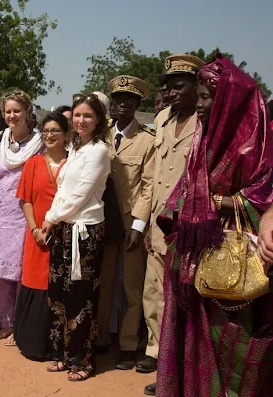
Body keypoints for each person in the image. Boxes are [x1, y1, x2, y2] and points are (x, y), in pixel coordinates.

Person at [156, 54, 273, 397]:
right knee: (195, 344)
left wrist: (212, 203)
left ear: (229, 101)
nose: (201, 104)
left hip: (240, 269)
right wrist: (185, 208)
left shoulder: (257, 147)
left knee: (237, 351)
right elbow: (183, 191)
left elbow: (262, 196)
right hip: (196, 264)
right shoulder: (202, 140)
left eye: (208, 98)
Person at [141, 54, 204, 396]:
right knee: (154, 295)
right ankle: (157, 355)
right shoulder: (163, 118)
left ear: (197, 87)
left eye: (180, 86)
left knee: (182, 301)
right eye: (169, 87)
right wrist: (148, 223)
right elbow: (154, 177)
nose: (173, 93)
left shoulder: (204, 122)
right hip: (159, 224)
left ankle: (179, 367)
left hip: (188, 229)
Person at [41, 93, 110, 382]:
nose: (81, 121)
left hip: (85, 233)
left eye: (88, 116)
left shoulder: (99, 151)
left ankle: (82, 360)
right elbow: (62, 192)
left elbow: (80, 196)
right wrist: (52, 219)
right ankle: (59, 354)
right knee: (57, 293)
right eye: (78, 115)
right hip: (63, 229)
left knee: (80, 297)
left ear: (98, 120)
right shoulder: (77, 149)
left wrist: (50, 217)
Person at [97, 75, 156, 371]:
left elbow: (148, 186)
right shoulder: (101, 133)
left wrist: (138, 226)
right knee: (104, 281)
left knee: (133, 287)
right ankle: (100, 337)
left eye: (128, 100)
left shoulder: (147, 140)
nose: (121, 105)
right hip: (104, 220)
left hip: (131, 221)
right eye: (117, 99)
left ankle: (129, 344)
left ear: (136, 105)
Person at [0, 89, 44, 343]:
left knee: (22, 272)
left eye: (17, 111)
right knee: (1, 274)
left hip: (25, 214)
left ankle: (21, 324)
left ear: (27, 111)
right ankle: (6, 321)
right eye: (8, 111)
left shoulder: (40, 143)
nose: (12, 116)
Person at [13, 112, 68, 359]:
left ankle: (59, 346)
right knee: (35, 283)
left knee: (60, 287)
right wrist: (35, 229)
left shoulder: (75, 163)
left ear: (67, 134)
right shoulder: (33, 163)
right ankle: (31, 342)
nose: (49, 135)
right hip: (36, 237)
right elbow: (25, 199)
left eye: (55, 130)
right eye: (45, 131)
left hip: (65, 237)